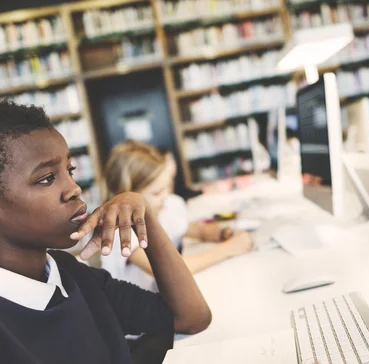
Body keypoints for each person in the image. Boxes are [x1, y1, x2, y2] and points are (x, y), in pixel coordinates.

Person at [0, 100, 211, 364]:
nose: (74, 188)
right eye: (46, 179)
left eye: (70, 170)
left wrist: (145, 214)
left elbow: (192, 318)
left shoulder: (72, 274)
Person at [101, 140, 254, 292]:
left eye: (166, 188)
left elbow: (194, 229)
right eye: (156, 193)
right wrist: (229, 249)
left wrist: (220, 233)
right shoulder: (120, 231)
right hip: (137, 313)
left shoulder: (161, 209)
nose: (165, 196)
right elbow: (172, 271)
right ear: (127, 195)